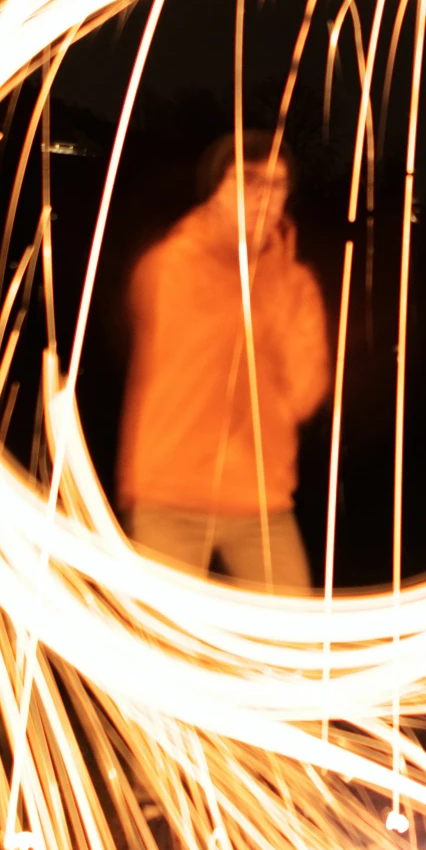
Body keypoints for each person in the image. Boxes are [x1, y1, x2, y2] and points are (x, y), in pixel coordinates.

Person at [116, 134, 329, 590]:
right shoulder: (171, 266)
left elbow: (305, 392)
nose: (265, 197)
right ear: (216, 190)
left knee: (293, 646)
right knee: (163, 648)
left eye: (277, 185)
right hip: (169, 496)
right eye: (249, 181)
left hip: (259, 500)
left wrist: (278, 293)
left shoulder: (295, 285)